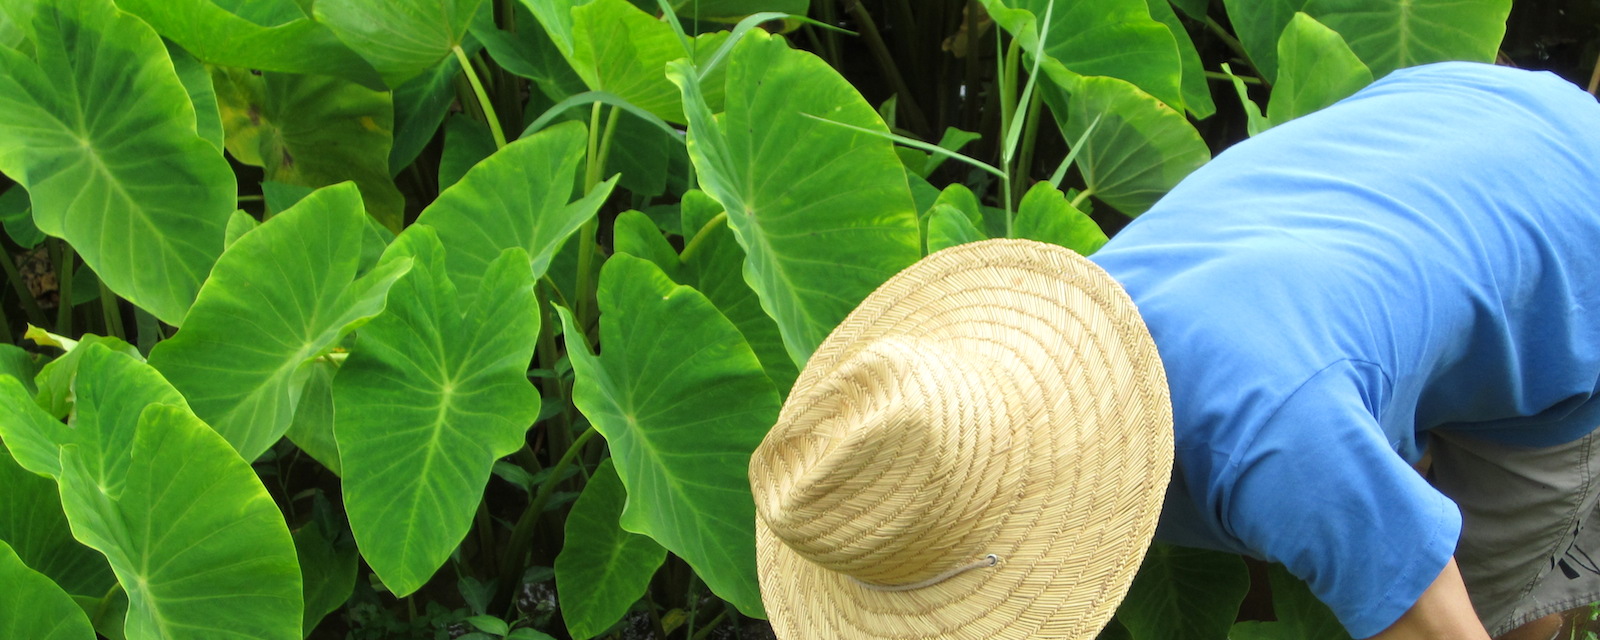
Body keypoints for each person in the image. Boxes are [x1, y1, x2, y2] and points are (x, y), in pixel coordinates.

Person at [747, 61, 1600, 640]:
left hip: (1567, 230)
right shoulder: (1070, 331)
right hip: (1438, 119)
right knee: (1349, 505)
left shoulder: (1273, 444)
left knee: (1500, 600)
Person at [1087, 61, 1600, 639]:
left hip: (1573, 241)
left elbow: (1446, 630)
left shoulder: (1272, 445)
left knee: (1491, 605)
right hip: (1455, 116)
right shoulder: (1065, 310)